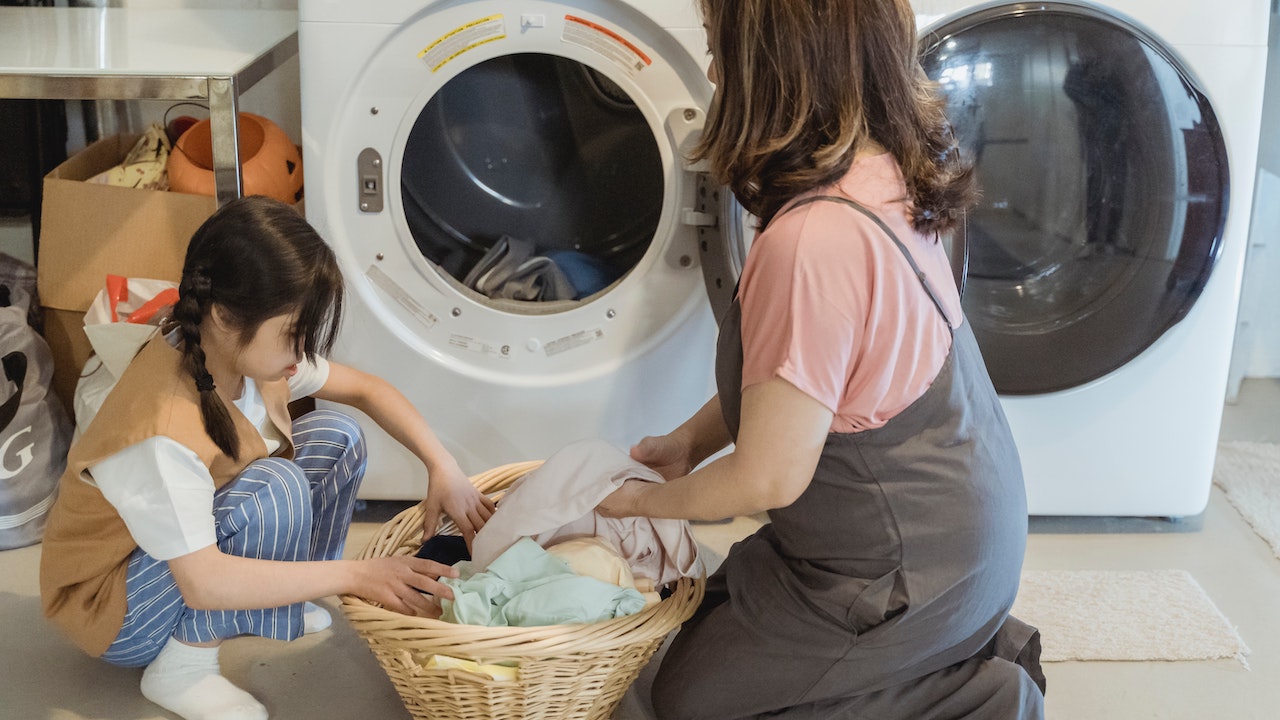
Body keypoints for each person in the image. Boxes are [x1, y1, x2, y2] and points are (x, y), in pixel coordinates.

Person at [597, 0, 1046, 717]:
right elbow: (807, 380)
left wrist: (647, 504)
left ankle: (982, 697)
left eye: (718, 50)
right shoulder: (884, 175)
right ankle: (944, 650)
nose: (712, 72)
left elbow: (767, 476)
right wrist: (687, 442)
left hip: (909, 574)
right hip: (966, 543)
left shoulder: (811, 242)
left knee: (683, 700)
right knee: (704, 620)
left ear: (774, 67)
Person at [39, 196, 495, 720]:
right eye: (294, 334)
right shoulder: (159, 427)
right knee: (275, 485)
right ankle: (182, 667)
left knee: (337, 435)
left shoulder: (236, 351)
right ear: (224, 314)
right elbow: (204, 581)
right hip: (115, 608)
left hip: (177, 557)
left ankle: (274, 603)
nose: (302, 354)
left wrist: (443, 467)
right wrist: (355, 576)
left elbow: (368, 390)